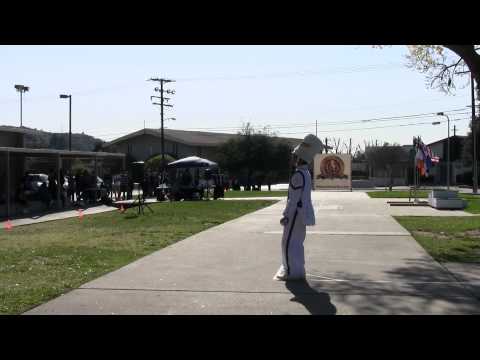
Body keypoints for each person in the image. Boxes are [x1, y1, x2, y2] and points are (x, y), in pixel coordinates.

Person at [273, 134, 323, 282]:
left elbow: (293, 200)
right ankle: (297, 269)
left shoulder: (298, 175)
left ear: (299, 158)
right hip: (302, 214)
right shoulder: (305, 173)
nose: (293, 159)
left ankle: (291, 271)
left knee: (288, 243)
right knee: (297, 242)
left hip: (295, 214)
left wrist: (286, 215)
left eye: (295, 156)